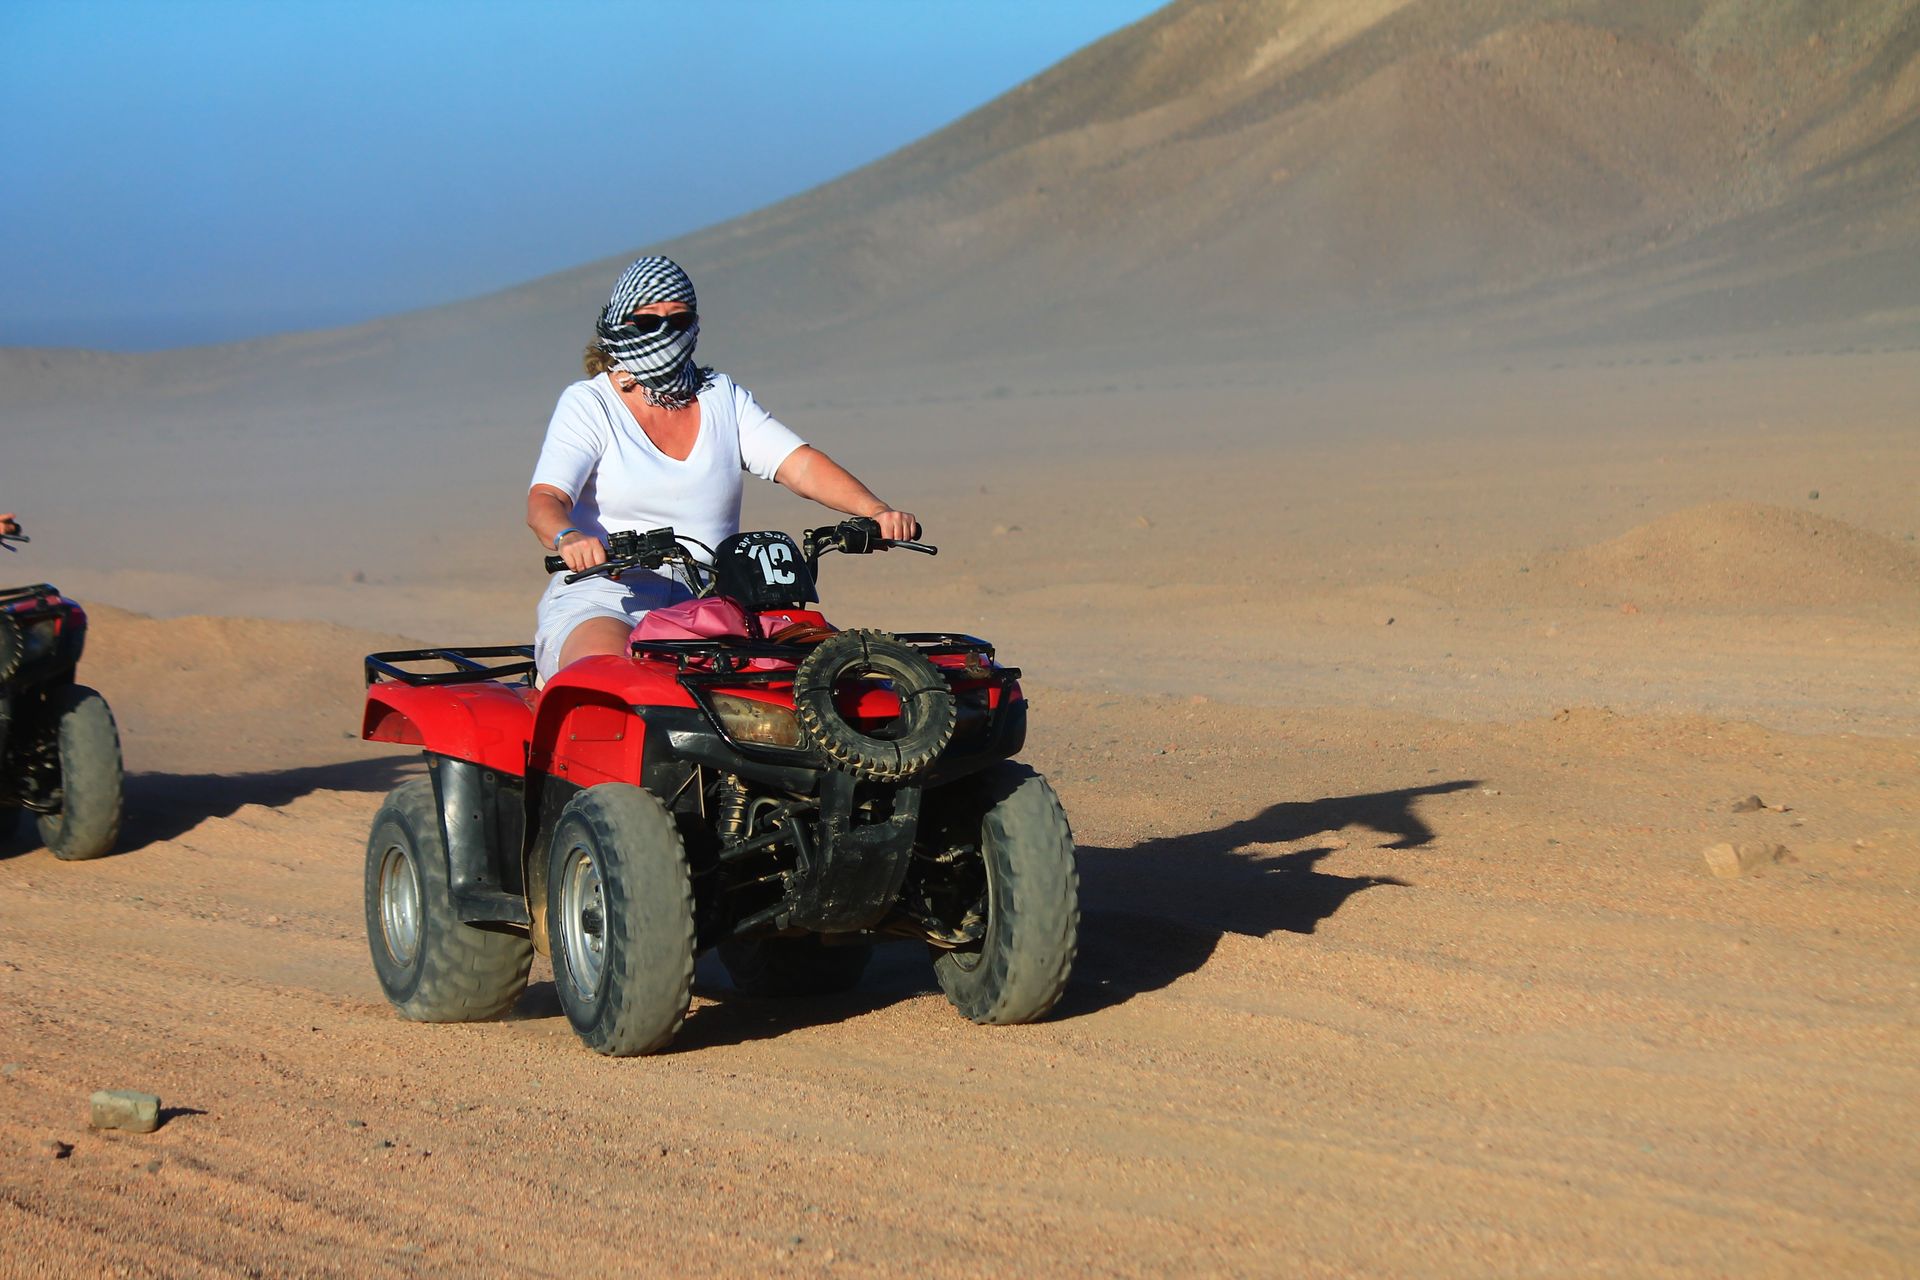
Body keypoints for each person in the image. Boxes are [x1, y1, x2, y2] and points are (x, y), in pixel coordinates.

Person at [525, 256, 917, 682]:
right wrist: (570, 538)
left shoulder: (720, 398)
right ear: (620, 323)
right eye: (645, 322)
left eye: (678, 321)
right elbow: (546, 499)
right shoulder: (591, 404)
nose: (663, 334)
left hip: (711, 601)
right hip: (608, 595)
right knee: (611, 677)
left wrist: (875, 512)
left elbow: (798, 465)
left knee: (820, 676)